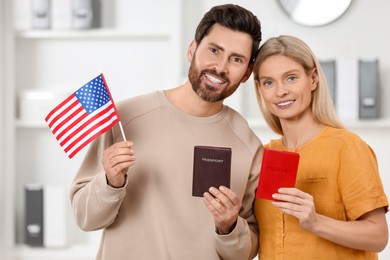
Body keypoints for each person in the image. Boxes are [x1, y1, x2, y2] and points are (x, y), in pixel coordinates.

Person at [70, 4, 263, 260]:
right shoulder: (124, 118)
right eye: (214, 50)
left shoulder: (249, 146)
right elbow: (85, 219)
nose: (220, 67)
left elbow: (246, 252)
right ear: (192, 49)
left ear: (247, 73)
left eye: (236, 59)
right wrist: (110, 183)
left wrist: (229, 227)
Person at [252, 35, 389, 259]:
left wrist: (316, 222)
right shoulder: (263, 156)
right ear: (260, 89)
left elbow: (378, 236)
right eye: (269, 82)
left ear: (313, 78)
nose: (280, 92)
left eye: (291, 78)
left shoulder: (347, 147)